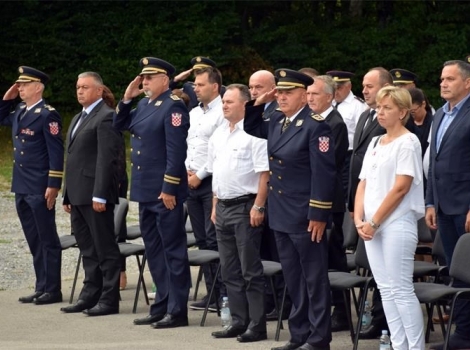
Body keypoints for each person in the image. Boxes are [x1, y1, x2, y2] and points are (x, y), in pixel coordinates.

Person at [244, 69, 336, 350]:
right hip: (282, 213)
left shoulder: (316, 125)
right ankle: (299, 334)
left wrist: (319, 214)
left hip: (306, 215)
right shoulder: (277, 121)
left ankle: (319, 338)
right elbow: (252, 126)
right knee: (293, 278)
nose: (281, 97)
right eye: (279, 92)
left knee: (314, 278)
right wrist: (259, 102)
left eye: (288, 92)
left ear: (303, 95)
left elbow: (324, 173)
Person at [114, 57, 191, 329]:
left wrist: (169, 187)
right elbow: (120, 125)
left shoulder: (174, 107)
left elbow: (176, 151)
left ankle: (177, 309)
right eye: (142, 78)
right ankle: (161, 305)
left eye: (150, 78)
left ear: (165, 80)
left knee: (173, 249)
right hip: (145, 190)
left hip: (163, 191)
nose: (144, 82)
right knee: (154, 250)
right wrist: (126, 99)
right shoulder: (145, 104)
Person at [354, 86, 425, 350]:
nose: (380, 112)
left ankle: (414, 347)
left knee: (401, 289)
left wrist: (374, 222)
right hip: (371, 227)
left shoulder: (408, 142)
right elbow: (362, 183)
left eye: (387, 108)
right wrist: (359, 219)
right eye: (379, 107)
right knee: (385, 289)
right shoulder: (375, 142)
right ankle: (398, 345)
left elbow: (401, 187)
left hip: (396, 224)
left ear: (403, 112)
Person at [208, 84, 269, 343]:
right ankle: (238, 321)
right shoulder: (218, 135)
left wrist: (259, 205)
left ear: (245, 104)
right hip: (222, 207)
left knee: (250, 270)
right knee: (229, 270)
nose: (224, 106)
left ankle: (257, 325)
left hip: (245, 206)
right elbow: (216, 174)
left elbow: (265, 174)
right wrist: (214, 206)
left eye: (230, 102)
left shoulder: (254, 135)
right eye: (223, 102)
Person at [0, 66, 63, 305]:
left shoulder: (48, 115)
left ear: (38, 87)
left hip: (39, 186)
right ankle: (41, 286)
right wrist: (7, 99)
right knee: (33, 238)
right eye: (19, 84)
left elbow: (55, 152)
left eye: (24, 84)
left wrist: (53, 183)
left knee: (47, 238)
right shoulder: (19, 111)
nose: (20, 88)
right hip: (21, 185)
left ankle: (53, 289)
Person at [61, 72, 122, 316]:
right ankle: (90, 293)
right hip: (77, 194)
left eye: (85, 87)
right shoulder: (78, 117)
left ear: (98, 91)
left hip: (95, 195)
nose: (79, 91)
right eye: (77, 87)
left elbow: (108, 160)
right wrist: (67, 195)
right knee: (87, 248)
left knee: (104, 247)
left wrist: (100, 195)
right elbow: (73, 160)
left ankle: (109, 298)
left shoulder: (106, 117)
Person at [425, 60, 470, 350]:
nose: (443, 83)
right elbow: (434, 162)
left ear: (467, 83)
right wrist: (430, 202)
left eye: (450, 79)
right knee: (457, 273)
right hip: (443, 206)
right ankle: (464, 334)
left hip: (465, 206)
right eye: (442, 78)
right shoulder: (440, 114)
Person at [348, 67, 391, 339]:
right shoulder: (366, 115)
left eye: (370, 86)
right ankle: (377, 319)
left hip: (382, 205)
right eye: (363, 85)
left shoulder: (395, 120)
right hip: (363, 202)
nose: (364, 90)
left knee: (384, 273)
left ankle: (382, 322)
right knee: (373, 268)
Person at [306, 75, 349, 332]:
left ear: (330, 97)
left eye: (315, 94)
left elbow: (326, 165)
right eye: (308, 94)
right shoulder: (313, 121)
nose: (310, 98)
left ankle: (342, 312)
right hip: (311, 198)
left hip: (328, 202)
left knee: (334, 259)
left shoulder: (334, 124)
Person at [248, 69, 291, 321]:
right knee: (264, 252)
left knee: (279, 253)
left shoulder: (279, 113)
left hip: (277, 190)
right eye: (251, 87)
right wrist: (259, 103)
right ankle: (270, 300)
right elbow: (251, 126)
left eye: (259, 87)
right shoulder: (264, 111)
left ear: (273, 88)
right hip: (263, 190)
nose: (254, 92)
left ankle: (283, 303)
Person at [185, 66, 226, 311]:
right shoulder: (194, 113)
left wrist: (199, 175)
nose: (195, 89)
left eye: (200, 85)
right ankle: (211, 292)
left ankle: (223, 294)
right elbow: (190, 146)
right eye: (195, 85)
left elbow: (219, 150)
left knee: (214, 240)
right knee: (201, 240)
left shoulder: (224, 111)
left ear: (214, 86)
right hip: (191, 180)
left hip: (210, 181)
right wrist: (186, 171)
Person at [326, 70, 368, 202]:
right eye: (333, 88)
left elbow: (361, 134)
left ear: (348, 87)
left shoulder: (358, 106)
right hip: (328, 153)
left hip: (347, 155)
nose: (335, 92)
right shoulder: (329, 103)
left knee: (344, 190)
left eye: (339, 88)